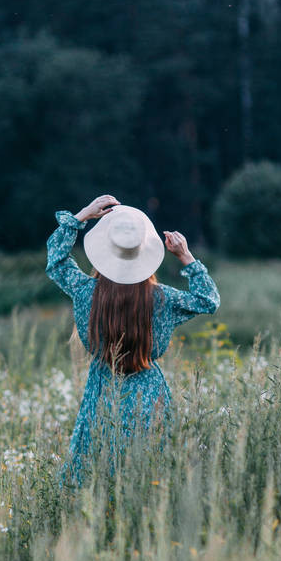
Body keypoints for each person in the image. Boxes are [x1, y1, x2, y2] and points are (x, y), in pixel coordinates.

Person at [46, 194, 220, 487]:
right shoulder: (161, 299)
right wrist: (185, 256)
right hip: (150, 392)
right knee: (154, 469)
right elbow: (209, 300)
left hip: (102, 389)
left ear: (104, 251)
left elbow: (57, 260)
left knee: (95, 465)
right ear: (145, 254)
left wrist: (83, 216)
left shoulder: (86, 292)